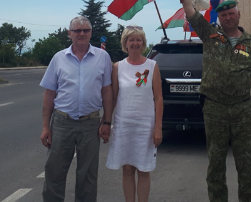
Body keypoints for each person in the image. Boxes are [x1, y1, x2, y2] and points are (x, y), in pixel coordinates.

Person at [175, 0, 251, 202]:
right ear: (219, 18)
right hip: (215, 109)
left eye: (231, 13)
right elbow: (189, 9)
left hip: (241, 110)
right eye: (224, 15)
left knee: (246, 164)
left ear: (238, 15)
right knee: (216, 164)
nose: (228, 17)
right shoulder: (211, 36)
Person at [39, 16, 114, 202]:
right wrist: (45, 127)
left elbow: (107, 92)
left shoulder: (102, 57)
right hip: (62, 123)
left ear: (91, 33)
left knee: (87, 176)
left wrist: (107, 121)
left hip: (91, 124)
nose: (82, 33)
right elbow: (49, 94)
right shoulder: (59, 58)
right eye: (77, 30)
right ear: (69, 33)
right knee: (54, 172)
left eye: (86, 30)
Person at [106, 25, 163, 202]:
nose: (135, 43)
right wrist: (106, 122)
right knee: (128, 169)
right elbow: (114, 97)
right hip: (124, 126)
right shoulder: (118, 67)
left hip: (145, 126)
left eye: (139, 39)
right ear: (125, 43)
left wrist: (158, 128)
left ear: (143, 43)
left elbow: (158, 98)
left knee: (143, 170)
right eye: (131, 39)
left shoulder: (152, 66)